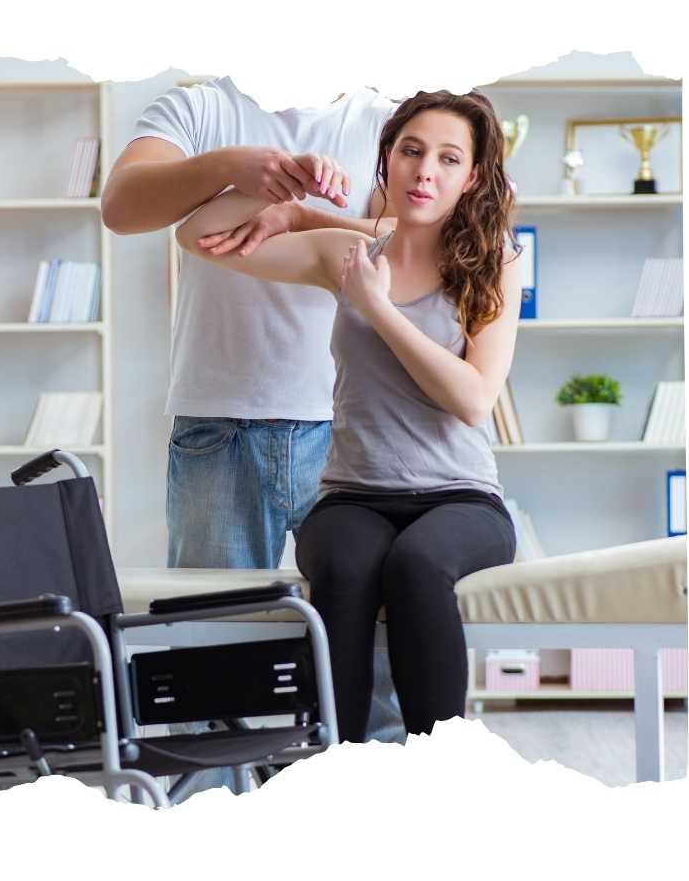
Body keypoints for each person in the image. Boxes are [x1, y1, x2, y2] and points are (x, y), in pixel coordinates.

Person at [175, 89, 521, 742]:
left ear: (471, 177)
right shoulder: (350, 254)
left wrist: (379, 307)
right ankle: (339, 764)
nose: (425, 171)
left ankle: (439, 770)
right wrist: (284, 186)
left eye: (449, 159)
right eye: (412, 151)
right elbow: (197, 235)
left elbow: (473, 399)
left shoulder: (495, 262)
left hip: (462, 500)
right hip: (355, 497)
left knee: (416, 566)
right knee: (345, 565)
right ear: (384, 158)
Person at [102, 77, 406, 753]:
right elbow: (120, 207)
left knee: (374, 659)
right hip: (219, 425)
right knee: (208, 657)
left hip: (351, 429)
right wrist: (235, 167)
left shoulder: (383, 118)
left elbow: (416, 238)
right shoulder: (199, 106)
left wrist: (303, 215)